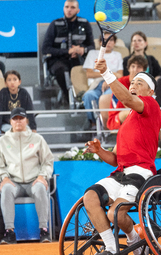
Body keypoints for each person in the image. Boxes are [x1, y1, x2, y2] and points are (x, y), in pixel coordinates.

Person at [83, 57, 161, 255]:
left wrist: (106, 73)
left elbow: (126, 99)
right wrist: (99, 151)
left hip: (141, 172)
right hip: (121, 173)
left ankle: (134, 239)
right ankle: (110, 247)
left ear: (150, 91)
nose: (133, 85)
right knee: (90, 197)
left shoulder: (151, 105)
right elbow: (115, 160)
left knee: (114, 213)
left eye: (139, 83)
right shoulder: (126, 123)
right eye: (132, 82)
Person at [0, 107, 54, 244]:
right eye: (15, 119)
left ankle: (44, 230)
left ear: (26, 120)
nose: (18, 121)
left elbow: (48, 161)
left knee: (41, 188)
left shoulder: (37, 139)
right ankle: (9, 232)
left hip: (34, 181)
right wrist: (4, 177)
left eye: (21, 118)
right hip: (13, 182)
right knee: (5, 189)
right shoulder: (2, 141)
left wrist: (43, 176)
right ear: (10, 122)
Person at [42, 0, 95, 103]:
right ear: (63, 8)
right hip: (58, 60)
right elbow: (45, 49)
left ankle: (84, 97)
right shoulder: (55, 24)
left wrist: (82, 50)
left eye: (72, 7)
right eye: (66, 7)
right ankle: (69, 98)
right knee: (61, 70)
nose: (69, 10)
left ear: (78, 10)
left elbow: (92, 47)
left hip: (79, 59)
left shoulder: (85, 23)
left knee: (84, 70)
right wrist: (67, 51)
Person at [82, 32, 123, 128]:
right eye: (105, 40)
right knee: (88, 96)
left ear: (115, 43)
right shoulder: (92, 54)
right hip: (96, 85)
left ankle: (107, 125)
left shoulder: (118, 55)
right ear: (100, 42)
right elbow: (89, 74)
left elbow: (120, 75)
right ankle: (94, 124)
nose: (108, 42)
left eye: (111, 40)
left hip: (112, 84)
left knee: (106, 97)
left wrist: (109, 80)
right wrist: (109, 74)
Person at [107, 55, 148, 130]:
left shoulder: (145, 84)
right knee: (133, 112)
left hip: (136, 113)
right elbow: (127, 103)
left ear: (144, 70)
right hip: (117, 117)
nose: (135, 70)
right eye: (133, 66)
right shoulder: (120, 82)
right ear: (128, 68)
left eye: (139, 67)